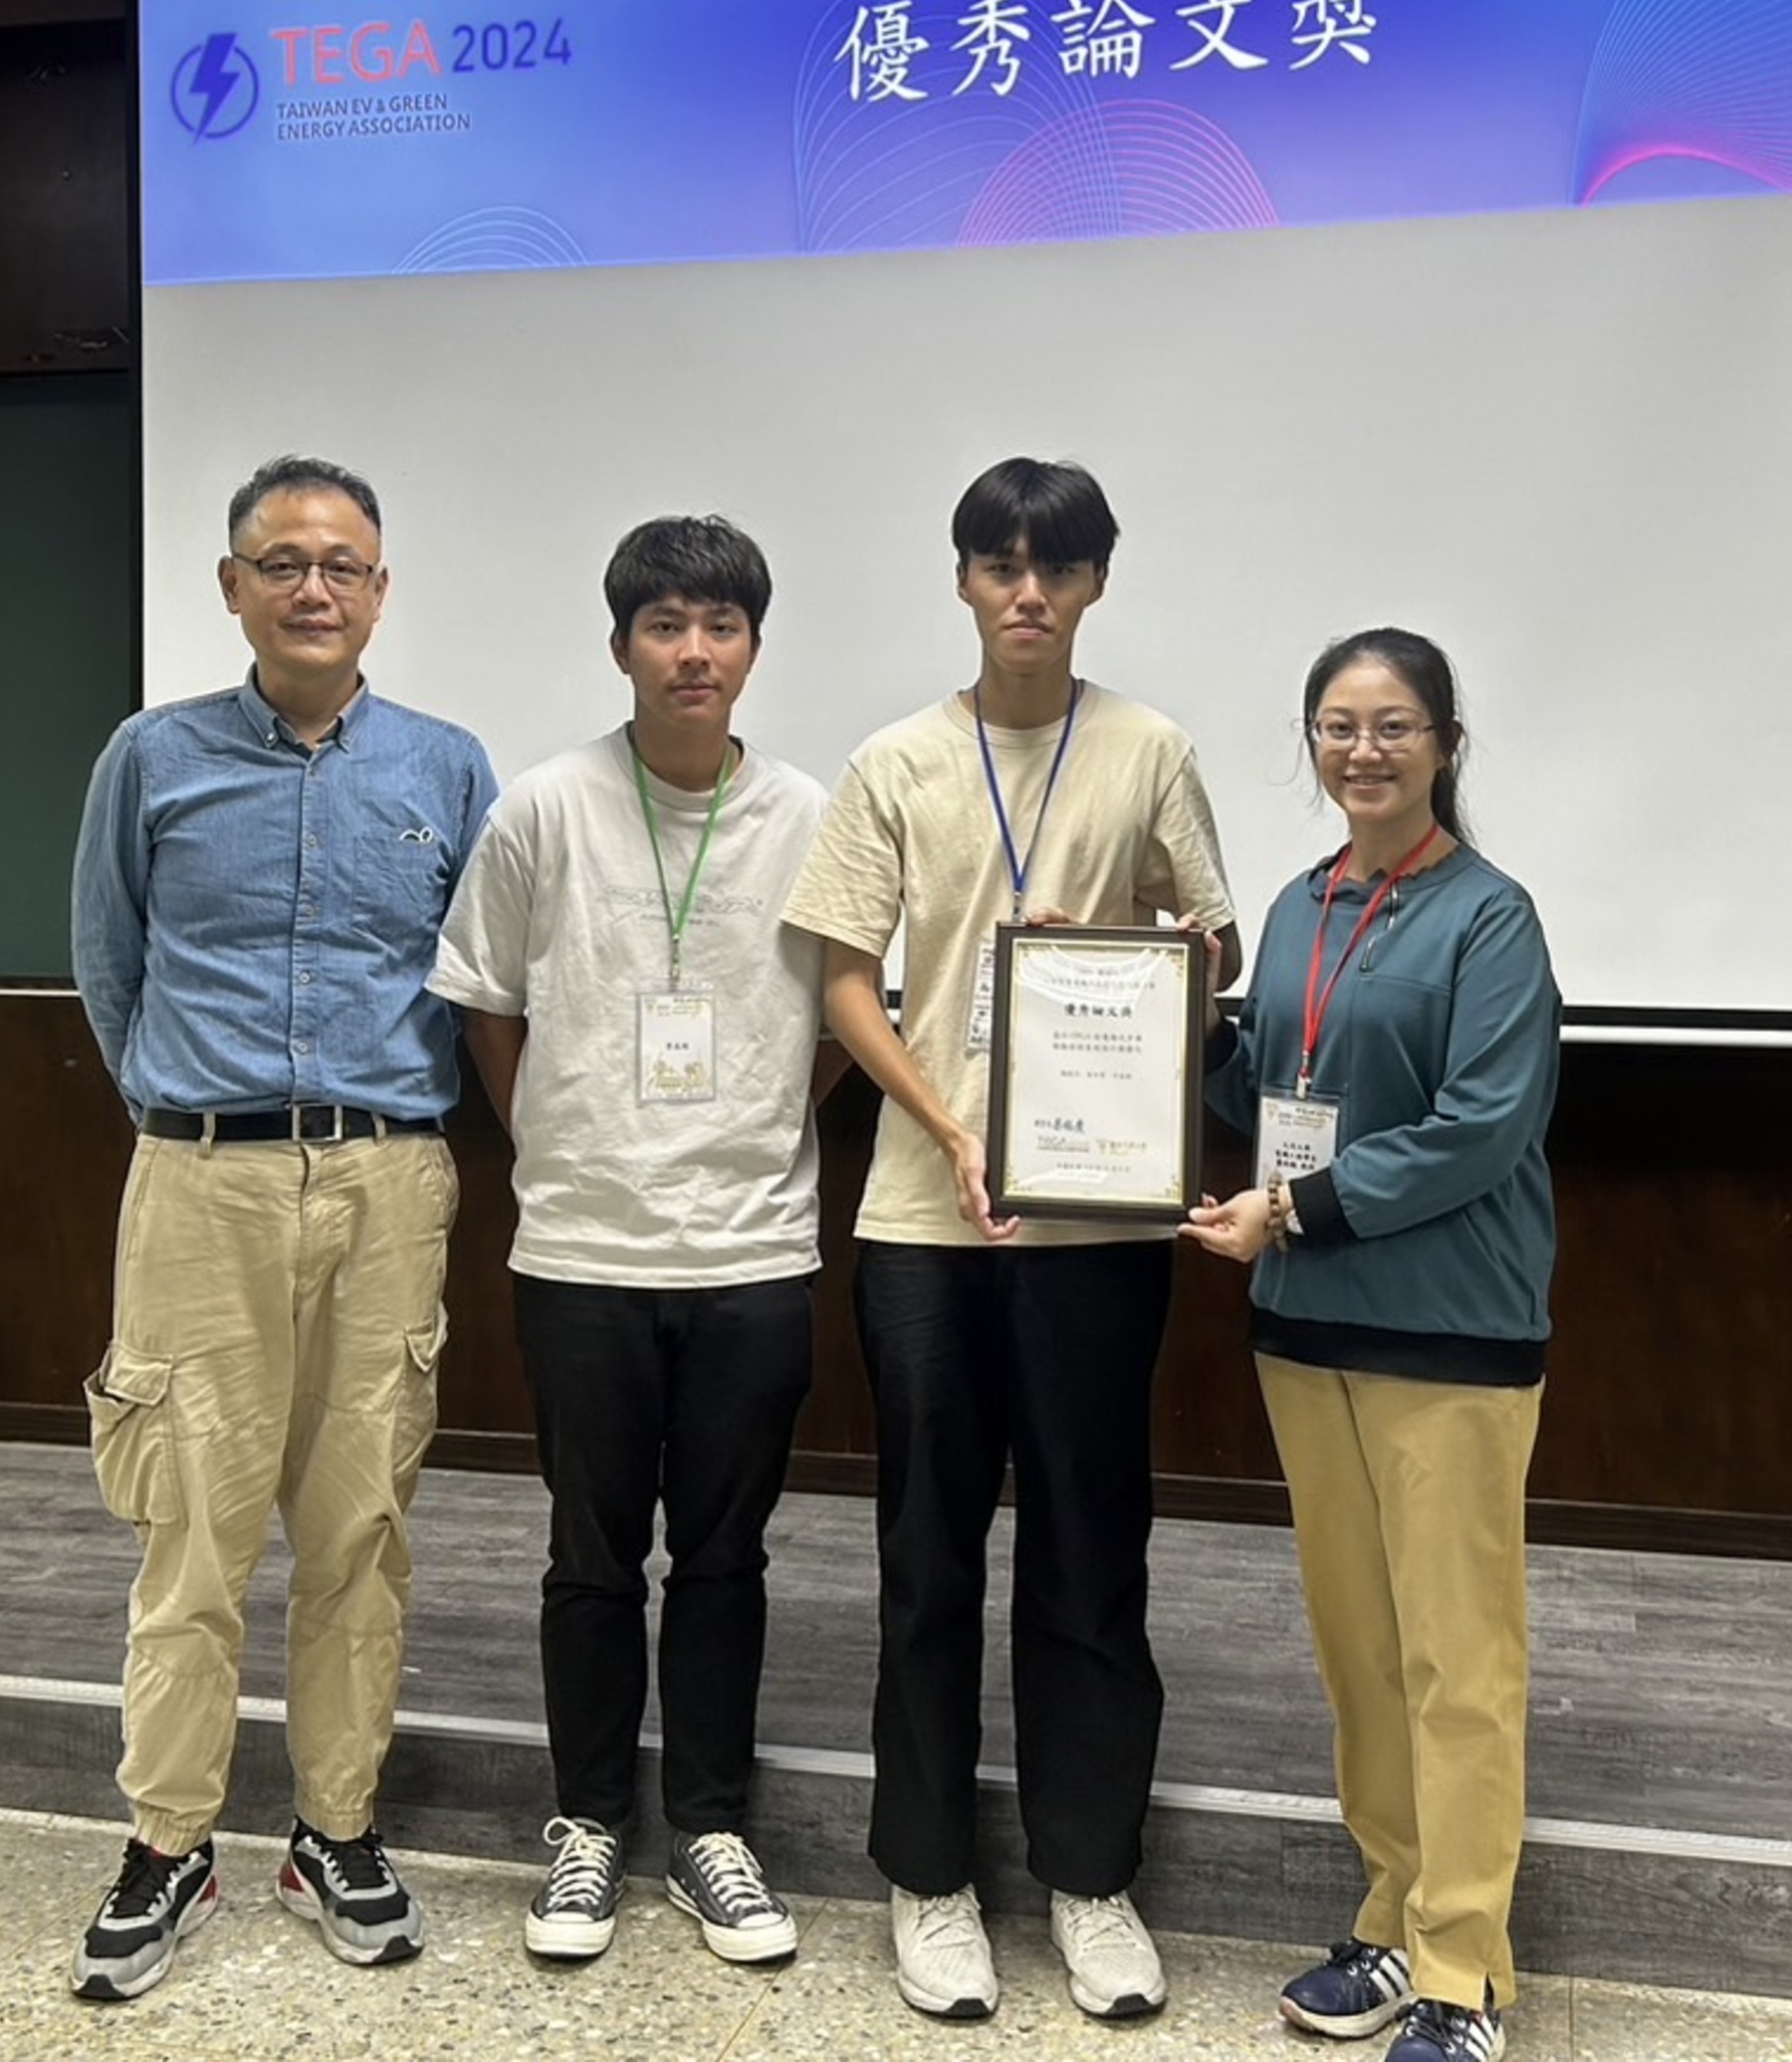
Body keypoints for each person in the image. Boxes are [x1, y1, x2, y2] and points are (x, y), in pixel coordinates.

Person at [782, 457, 1236, 2024]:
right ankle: (929, 1880)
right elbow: (844, 977)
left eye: (1056, 567)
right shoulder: (898, 760)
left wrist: (1137, 956)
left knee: (1091, 1555)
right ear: (965, 580)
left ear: (1096, 582)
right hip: (929, 1219)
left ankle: (1091, 1880)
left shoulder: (1150, 748)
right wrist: (952, 1124)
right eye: (1000, 565)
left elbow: (1216, 946)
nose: (1027, 593)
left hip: (1097, 1220)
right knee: (925, 1560)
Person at [64, 455, 497, 2004]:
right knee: (193, 1527)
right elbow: (108, 965)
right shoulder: (153, 756)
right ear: (233, 585)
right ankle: (169, 1839)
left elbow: (479, 977)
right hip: (205, 1184)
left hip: (389, 1183)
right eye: (284, 562)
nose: (314, 588)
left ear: (380, 592)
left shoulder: (447, 767)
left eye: (342, 566)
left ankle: (336, 1828)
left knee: (359, 1526)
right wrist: (197, 1121)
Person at [430, 517, 843, 1969]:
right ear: (622, 646)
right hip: (585, 1252)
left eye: (720, 626)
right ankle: (589, 1824)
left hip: (752, 1251)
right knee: (590, 1560)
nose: (693, 652)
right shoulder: (545, 807)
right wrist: (551, 1138)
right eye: (665, 625)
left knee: (726, 1560)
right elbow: (488, 1002)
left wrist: (764, 1122)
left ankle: (713, 1830)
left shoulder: (808, 814)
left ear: (753, 650)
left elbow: (848, 1014)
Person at [1181, 628, 1559, 2062]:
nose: (1364, 751)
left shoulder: (1491, 918)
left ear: (1446, 744)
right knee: (1362, 1650)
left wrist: (1294, 1208)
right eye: (1338, 726)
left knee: (1459, 1659)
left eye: (1394, 725)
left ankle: (1466, 1973)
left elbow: (1482, 1129)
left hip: (1445, 1330)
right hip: (1305, 1324)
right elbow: (1270, 1082)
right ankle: (1394, 1913)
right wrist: (1176, 1019)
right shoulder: (1299, 906)